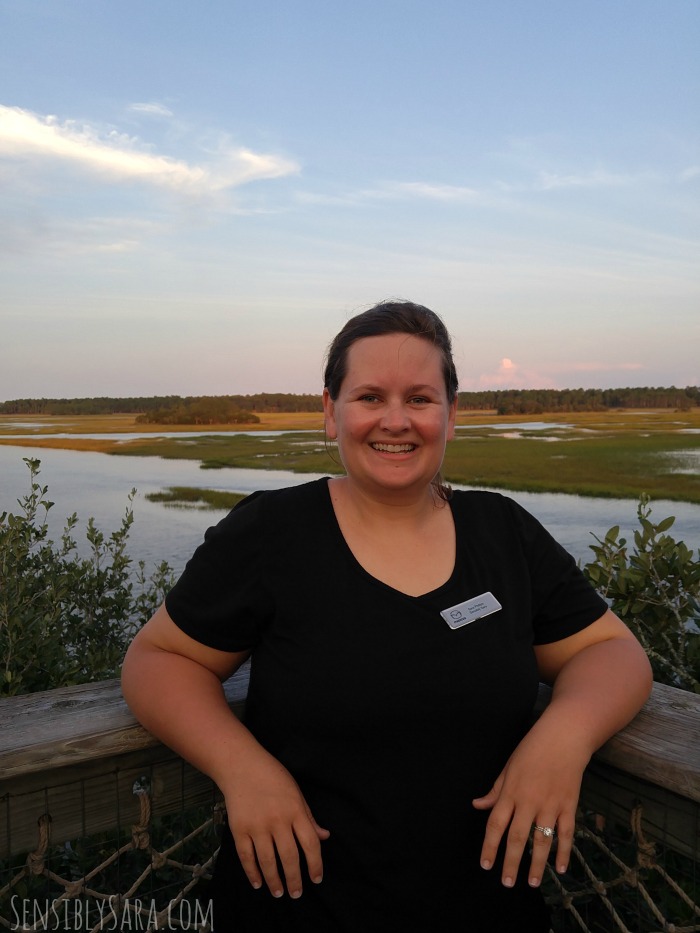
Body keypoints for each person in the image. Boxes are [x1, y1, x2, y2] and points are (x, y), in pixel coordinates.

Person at [121, 300, 653, 932]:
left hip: (489, 912)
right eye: (370, 396)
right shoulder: (272, 532)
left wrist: (564, 738)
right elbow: (158, 660)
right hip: (299, 910)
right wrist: (241, 768)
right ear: (331, 412)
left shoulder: (502, 532)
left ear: (451, 415)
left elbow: (611, 652)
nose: (396, 421)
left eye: (421, 399)